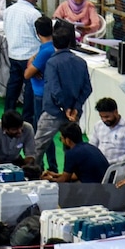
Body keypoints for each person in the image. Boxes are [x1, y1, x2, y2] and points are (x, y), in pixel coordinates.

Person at [35, 22, 91, 170]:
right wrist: (75, 108)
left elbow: (55, 89)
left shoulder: (52, 63)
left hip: (53, 112)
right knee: (73, 147)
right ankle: (72, 176)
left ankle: (32, 173)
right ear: (70, 43)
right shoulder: (81, 62)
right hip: (74, 115)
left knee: (39, 145)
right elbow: (87, 89)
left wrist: (65, 107)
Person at [3, 0, 42, 124]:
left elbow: (6, 29)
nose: (37, 0)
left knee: (13, 86)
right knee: (30, 90)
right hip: (30, 57)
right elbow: (39, 36)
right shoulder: (33, 13)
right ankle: (27, 120)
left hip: (13, 54)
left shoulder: (9, 10)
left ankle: (8, 115)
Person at [42, 122, 110, 184]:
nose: (61, 141)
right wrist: (55, 175)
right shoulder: (90, 147)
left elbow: (64, 180)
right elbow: (75, 175)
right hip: (105, 184)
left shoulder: (71, 153)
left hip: (93, 188)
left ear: (68, 140)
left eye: (61, 139)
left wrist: (49, 180)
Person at [89, 97, 125, 164]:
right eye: (101, 117)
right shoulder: (98, 125)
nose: (104, 120)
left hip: (118, 168)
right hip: (99, 165)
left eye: (107, 117)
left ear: (116, 112)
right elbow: (92, 146)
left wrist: (110, 162)